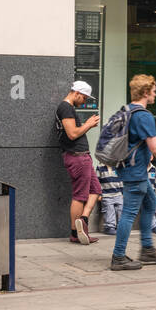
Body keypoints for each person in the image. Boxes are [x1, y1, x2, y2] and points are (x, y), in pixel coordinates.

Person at [110, 74, 156, 271]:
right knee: (128, 213)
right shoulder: (143, 116)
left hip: (133, 171)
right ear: (145, 92)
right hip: (136, 173)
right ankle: (118, 256)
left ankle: (147, 249)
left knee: (151, 203)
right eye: (153, 90)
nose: (155, 94)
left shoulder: (128, 110)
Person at [56, 81, 101, 245]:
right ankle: (75, 233)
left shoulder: (68, 108)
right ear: (76, 93)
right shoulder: (66, 108)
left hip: (82, 156)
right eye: (84, 98)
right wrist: (88, 124)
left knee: (95, 190)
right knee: (80, 195)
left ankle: (82, 221)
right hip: (77, 157)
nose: (85, 101)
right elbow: (72, 134)